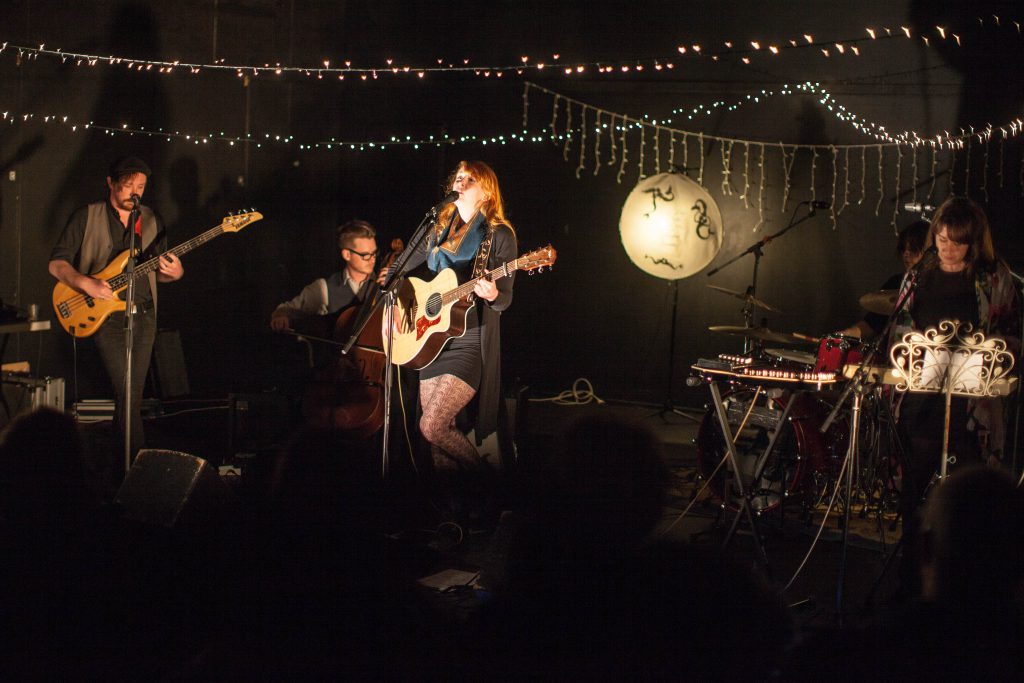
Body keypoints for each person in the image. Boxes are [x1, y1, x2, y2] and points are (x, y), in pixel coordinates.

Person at [891, 196, 1021, 596]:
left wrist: (984, 351)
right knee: (912, 488)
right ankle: (909, 579)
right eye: (942, 239)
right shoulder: (919, 274)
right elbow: (899, 328)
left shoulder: (992, 276)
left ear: (973, 242)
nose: (947, 248)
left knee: (969, 492)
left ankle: (968, 585)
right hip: (924, 393)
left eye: (957, 242)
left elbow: (1013, 334)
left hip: (972, 400)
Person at [49, 156, 184, 461]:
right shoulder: (87, 215)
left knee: (130, 395)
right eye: (127, 186)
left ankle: (120, 468)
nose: (134, 192)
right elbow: (56, 263)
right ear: (110, 183)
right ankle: (135, 465)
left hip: (144, 315)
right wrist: (87, 284)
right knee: (127, 391)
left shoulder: (151, 219)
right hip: (105, 316)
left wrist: (175, 274)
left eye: (140, 186)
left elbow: (160, 271)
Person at [388, 161, 517, 473]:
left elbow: (505, 299)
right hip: (431, 341)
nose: (461, 182)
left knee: (431, 426)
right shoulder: (437, 230)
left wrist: (492, 294)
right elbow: (398, 268)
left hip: (467, 343)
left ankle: (487, 481)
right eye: (458, 177)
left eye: (470, 179)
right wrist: (397, 302)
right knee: (438, 437)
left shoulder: (498, 235)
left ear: (487, 193)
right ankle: (453, 514)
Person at [269, 219, 380, 332]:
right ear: (347, 255)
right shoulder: (323, 288)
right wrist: (281, 316)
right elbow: (287, 309)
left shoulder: (383, 285)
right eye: (365, 255)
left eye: (374, 253)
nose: (372, 259)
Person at [839, 219, 930, 340]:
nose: (906, 254)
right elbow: (871, 325)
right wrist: (841, 336)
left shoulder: (937, 287)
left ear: (929, 251)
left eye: (913, 248)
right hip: (892, 354)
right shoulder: (896, 282)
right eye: (903, 248)